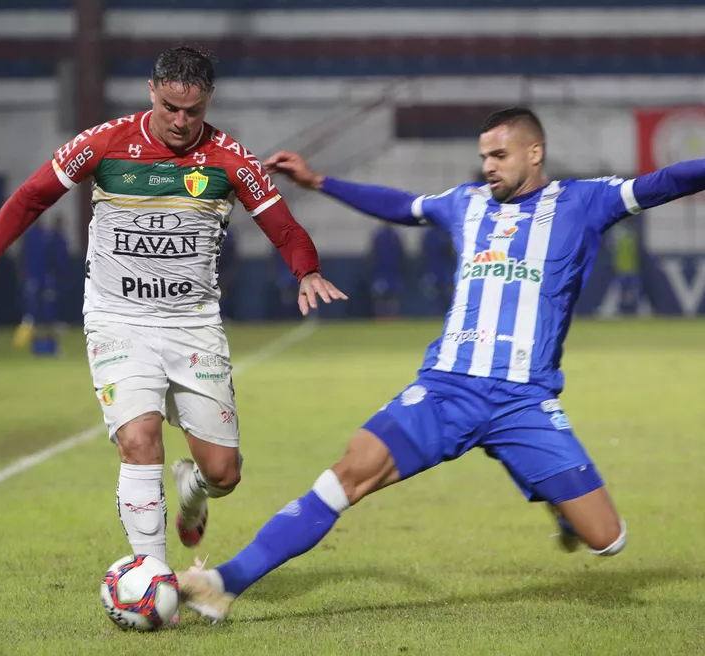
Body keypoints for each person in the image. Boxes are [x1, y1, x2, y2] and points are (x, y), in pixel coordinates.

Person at [174, 106, 705, 622]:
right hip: (446, 389)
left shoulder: (584, 200)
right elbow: (400, 206)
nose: (488, 165)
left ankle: (561, 504)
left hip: (524, 399)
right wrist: (319, 182)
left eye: (500, 154)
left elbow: (666, 182)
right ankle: (223, 583)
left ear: (535, 152)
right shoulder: (465, 203)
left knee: (607, 540)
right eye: (484, 156)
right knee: (345, 476)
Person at [0, 46, 346, 572]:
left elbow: (283, 226)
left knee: (225, 474)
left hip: (194, 326)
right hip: (118, 320)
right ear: (151, 92)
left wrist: (308, 270)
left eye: (194, 111)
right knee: (138, 441)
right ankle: (154, 577)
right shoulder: (105, 142)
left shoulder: (230, 159)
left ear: (209, 101)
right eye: (170, 107)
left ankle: (194, 490)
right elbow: (31, 196)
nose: (182, 121)